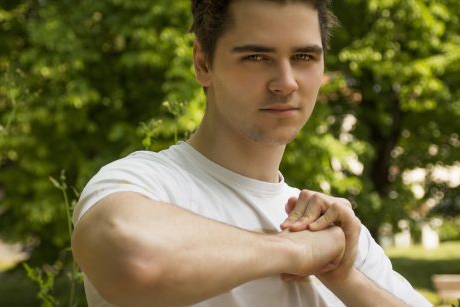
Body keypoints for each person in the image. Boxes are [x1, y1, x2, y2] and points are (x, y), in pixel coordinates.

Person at [71, 0, 432, 306]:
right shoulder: (145, 183)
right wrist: (297, 252)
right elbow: (129, 256)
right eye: (257, 56)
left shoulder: (332, 230)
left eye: (304, 56)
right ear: (203, 63)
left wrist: (343, 277)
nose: (286, 82)